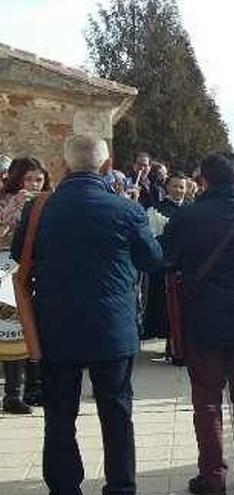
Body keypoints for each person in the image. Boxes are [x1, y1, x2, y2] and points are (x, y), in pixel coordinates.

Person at [11, 135, 163, 495]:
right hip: (112, 328)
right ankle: (120, 487)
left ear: (64, 166)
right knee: (116, 414)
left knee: (59, 416)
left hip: (56, 327)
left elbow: (20, 256)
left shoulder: (38, 210)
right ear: (108, 167)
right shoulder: (126, 210)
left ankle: (65, 487)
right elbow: (153, 260)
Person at [162, 151, 234, 495]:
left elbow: (165, 258)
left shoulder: (187, 217)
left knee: (207, 402)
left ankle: (212, 476)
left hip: (204, 323)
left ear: (205, 180)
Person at [0, 157, 50, 414]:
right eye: (29, 179)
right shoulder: (6, 200)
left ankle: (35, 385)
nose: (34, 184)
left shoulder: (47, 202)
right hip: (6, 268)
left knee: (35, 326)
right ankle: (12, 393)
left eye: (39, 179)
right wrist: (13, 209)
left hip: (36, 268)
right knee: (12, 330)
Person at [143, 173, 188, 361]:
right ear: (167, 187)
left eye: (182, 187)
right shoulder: (156, 211)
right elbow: (151, 239)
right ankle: (171, 346)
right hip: (166, 268)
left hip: (188, 268)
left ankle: (183, 347)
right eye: (175, 186)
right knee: (166, 309)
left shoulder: (191, 209)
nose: (178, 190)